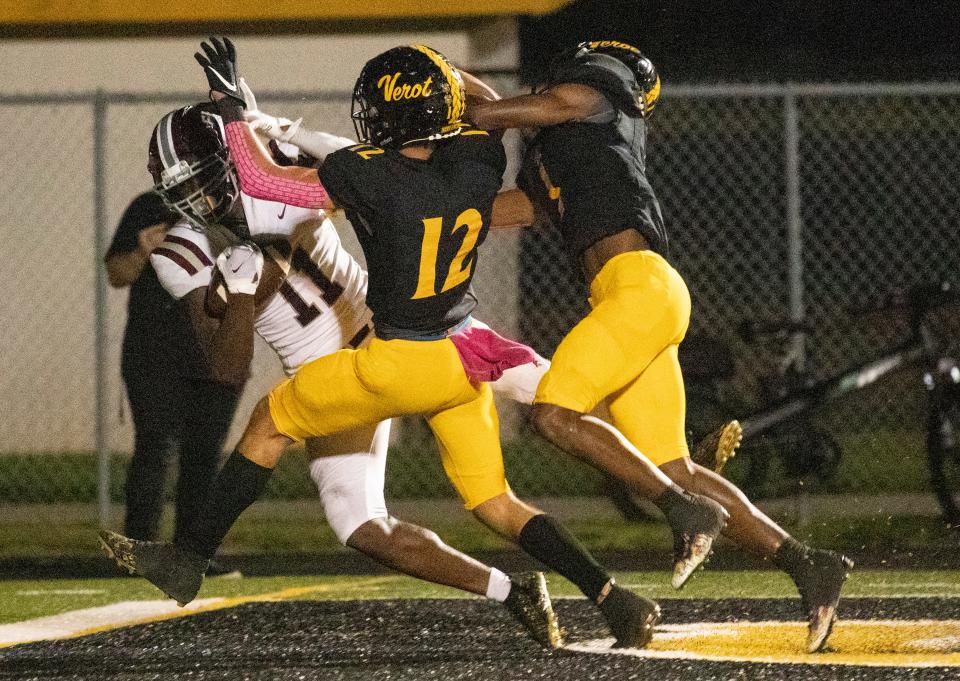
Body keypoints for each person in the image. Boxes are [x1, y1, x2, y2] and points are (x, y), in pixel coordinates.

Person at [99, 37, 729, 649]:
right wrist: (437, 81)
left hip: (394, 358)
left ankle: (189, 561)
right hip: (460, 347)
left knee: (269, 422)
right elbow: (447, 128)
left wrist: (239, 119)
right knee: (498, 490)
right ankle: (622, 587)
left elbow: (270, 182)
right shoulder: (477, 162)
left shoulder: (350, 177)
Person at [469, 39, 853, 653]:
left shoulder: (596, 103)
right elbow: (514, 208)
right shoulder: (569, 148)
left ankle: (685, 511)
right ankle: (808, 563)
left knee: (553, 414)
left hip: (637, 292)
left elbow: (545, 105)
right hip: (637, 299)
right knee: (674, 467)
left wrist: (464, 108)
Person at [104, 191, 242, 576]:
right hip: (154, 353)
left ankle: (192, 557)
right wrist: (143, 252)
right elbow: (117, 273)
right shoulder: (151, 207)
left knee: (205, 457)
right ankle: (138, 555)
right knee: (155, 450)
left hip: (215, 353)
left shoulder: (235, 212)